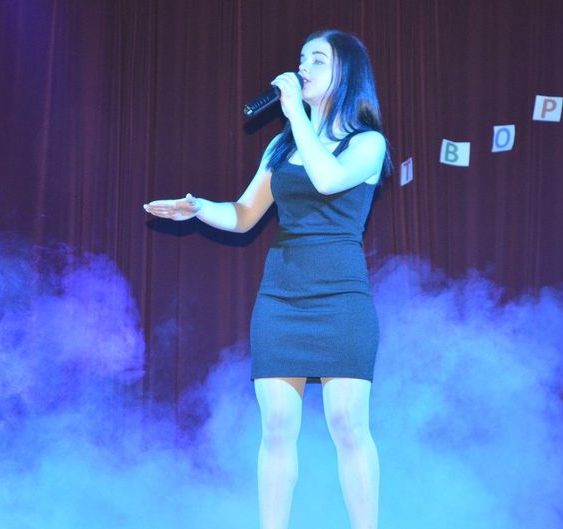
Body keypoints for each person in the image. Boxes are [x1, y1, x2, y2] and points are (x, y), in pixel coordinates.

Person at [144, 29, 389, 529]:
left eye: (317, 60)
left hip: (341, 297)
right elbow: (244, 215)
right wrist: (199, 208)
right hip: (282, 296)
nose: (303, 69)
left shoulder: (368, 143)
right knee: (276, 426)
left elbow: (327, 179)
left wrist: (296, 113)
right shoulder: (282, 146)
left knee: (347, 423)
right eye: (302, 59)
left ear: (346, 74)